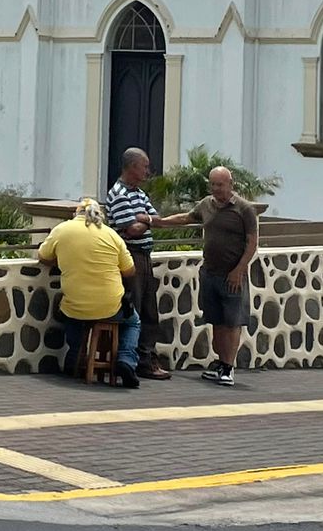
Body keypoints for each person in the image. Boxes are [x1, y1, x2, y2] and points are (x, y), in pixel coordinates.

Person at [155, 165, 259, 386]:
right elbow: (187, 217)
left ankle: (228, 368)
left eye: (220, 184)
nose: (216, 189)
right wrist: (159, 221)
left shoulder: (244, 209)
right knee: (216, 321)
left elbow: (252, 243)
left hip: (233, 276)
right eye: (212, 184)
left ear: (230, 184)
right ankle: (220, 363)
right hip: (210, 273)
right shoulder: (206, 204)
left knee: (232, 322)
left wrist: (238, 270)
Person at [37, 197, 142, 387]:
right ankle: (126, 360)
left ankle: (74, 359)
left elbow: (43, 257)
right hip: (110, 306)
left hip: (75, 305)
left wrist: (62, 260)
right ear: (99, 215)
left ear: (75, 214)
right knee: (133, 321)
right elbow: (130, 271)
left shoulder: (62, 230)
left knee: (72, 312)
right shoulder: (112, 235)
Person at [106, 147, 171, 379]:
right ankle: (132, 359)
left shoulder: (140, 193)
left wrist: (146, 219)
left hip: (145, 256)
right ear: (132, 167)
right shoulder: (118, 194)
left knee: (149, 310)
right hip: (130, 255)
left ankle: (147, 358)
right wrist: (147, 220)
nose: (148, 171)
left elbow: (157, 220)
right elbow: (132, 230)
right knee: (134, 308)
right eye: (144, 166)